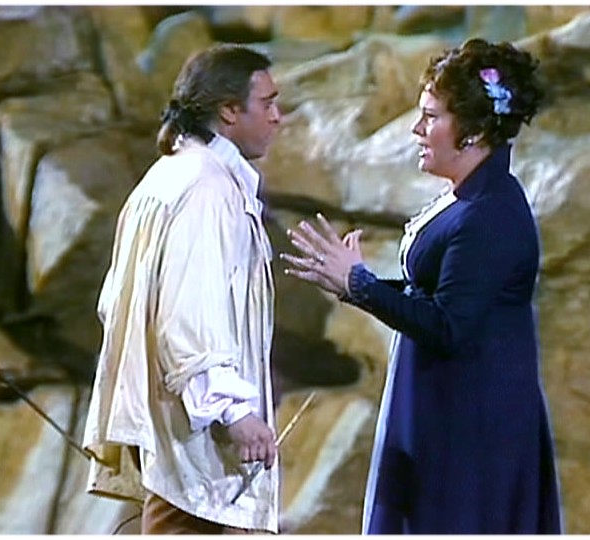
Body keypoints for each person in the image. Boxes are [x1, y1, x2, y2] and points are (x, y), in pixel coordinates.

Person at [281, 38, 563, 534]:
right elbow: (434, 294)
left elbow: (449, 325)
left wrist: (361, 284)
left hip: (470, 423)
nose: (416, 129)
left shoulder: (490, 213)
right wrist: (353, 283)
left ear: (474, 131)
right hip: (443, 403)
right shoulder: (469, 197)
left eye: (430, 117)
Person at [81, 44, 282, 534]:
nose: (277, 117)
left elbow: (114, 303)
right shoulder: (205, 189)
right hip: (194, 436)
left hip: (174, 427)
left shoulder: (171, 174)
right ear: (229, 110)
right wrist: (234, 410)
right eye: (267, 103)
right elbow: (188, 311)